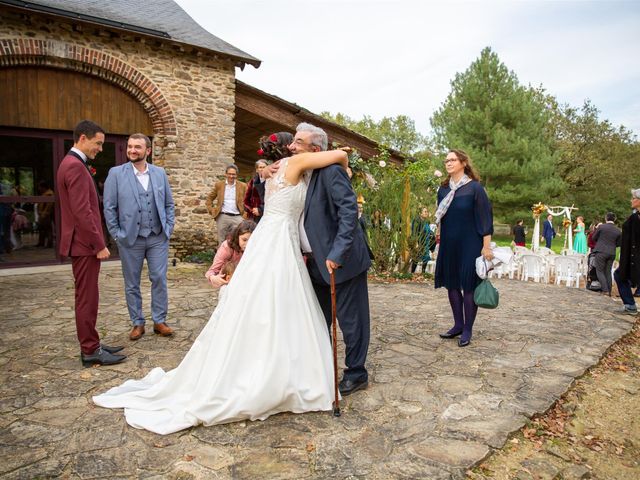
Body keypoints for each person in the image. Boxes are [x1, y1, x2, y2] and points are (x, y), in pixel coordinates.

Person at [93, 132, 349, 434]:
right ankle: (278, 370)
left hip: (269, 237)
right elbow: (341, 156)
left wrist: (264, 167)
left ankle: (265, 360)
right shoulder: (299, 162)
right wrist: (343, 162)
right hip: (279, 240)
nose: (295, 145)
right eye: (292, 142)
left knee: (261, 300)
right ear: (289, 149)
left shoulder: (272, 172)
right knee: (279, 299)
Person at [286, 122, 372, 396]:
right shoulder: (301, 173)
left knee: (351, 320)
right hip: (311, 262)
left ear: (313, 148)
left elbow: (349, 213)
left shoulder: (332, 172)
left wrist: (337, 253)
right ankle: (320, 368)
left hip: (339, 261)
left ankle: (356, 373)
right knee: (317, 318)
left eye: (297, 142)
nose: (291, 146)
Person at [57, 120, 125, 367]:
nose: (100, 149)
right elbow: (82, 212)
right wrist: (99, 244)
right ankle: (90, 350)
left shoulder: (73, 164)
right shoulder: (74, 166)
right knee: (87, 299)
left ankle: (93, 343)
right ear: (82, 139)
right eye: (98, 143)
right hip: (84, 245)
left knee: (89, 297)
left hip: (82, 244)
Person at [103, 133, 176, 341]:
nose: (132, 150)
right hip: (130, 239)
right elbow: (109, 207)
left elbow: (169, 204)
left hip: (157, 237)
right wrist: (117, 234)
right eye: (130, 147)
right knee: (132, 282)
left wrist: (168, 228)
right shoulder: (116, 174)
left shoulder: (159, 173)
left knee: (159, 279)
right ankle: (137, 322)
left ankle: (159, 320)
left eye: (137, 147)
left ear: (148, 151)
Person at [435, 149, 493, 348]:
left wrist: (486, 247)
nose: (448, 163)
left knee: (468, 286)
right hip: (449, 244)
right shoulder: (443, 190)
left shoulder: (475, 188)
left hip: (470, 244)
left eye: (452, 160)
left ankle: (468, 328)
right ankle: (458, 324)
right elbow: (442, 218)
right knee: (451, 285)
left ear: (463, 163)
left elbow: (485, 218)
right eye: (446, 160)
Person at [205, 220, 256, 288]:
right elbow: (211, 271)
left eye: (252, 241)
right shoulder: (227, 247)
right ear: (237, 237)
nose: (247, 244)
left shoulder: (258, 248)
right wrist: (213, 278)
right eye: (244, 240)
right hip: (230, 283)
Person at [613, 189, 640, 315]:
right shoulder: (635, 217)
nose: (631, 200)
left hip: (635, 257)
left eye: (633, 198)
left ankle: (630, 305)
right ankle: (629, 304)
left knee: (620, 275)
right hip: (632, 256)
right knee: (619, 275)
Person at [206, 164, 247, 242]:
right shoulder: (219, 185)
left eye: (233, 174)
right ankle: (222, 254)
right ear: (226, 174)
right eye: (229, 174)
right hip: (222, 217)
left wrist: (245, 213)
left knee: (237, 240)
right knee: (221, 241)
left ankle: (235, 254)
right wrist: (212, 210)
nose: (231, 176)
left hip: (238, 217)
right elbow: (209, 198)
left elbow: (248, 200)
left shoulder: (243, 186)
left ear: (236, 175)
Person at [591, 212, 621, 296]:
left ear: (606, 218)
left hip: (601, 251)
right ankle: (609, 291)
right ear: (614, 219)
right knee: (608, 272)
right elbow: (619, 243)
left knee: (599, 271)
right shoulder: (618, 230)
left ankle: (605, 290)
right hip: (612, 252)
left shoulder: (601, 227)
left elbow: (594, 238)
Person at [411, 207, 435, 273]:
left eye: (427, 211)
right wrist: (416, 243)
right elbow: (414, 232)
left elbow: (429, 231)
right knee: (416, 258)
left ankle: (423, 273)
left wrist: (432, 235)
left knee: (426, 258)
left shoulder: (426, 221)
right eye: (425, 211)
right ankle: (412, 273)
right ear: (420, 213)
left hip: (426, 243)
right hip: (419, 242)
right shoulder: (416, 220)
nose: (426, 213)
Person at [36, 180, 54, 248]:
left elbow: (49, 206)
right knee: (41, 229)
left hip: (46, 214)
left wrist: (45, 214)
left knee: (48, 229)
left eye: (40, 187)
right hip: (42, 214)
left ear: (44, 187)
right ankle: (41, 242)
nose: (39, 189)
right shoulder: (45, 193)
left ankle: (49, 243)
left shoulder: (49, 194)